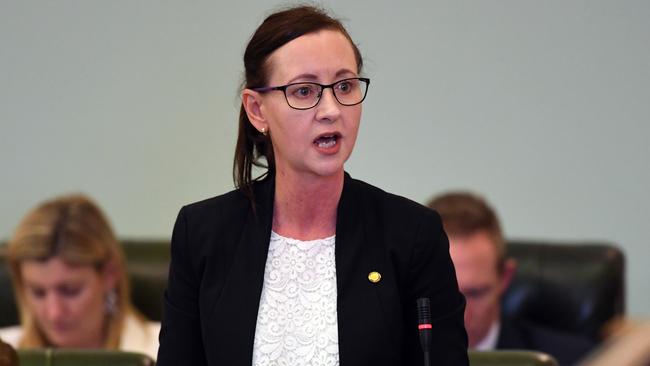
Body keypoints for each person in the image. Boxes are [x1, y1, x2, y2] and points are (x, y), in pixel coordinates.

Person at [156, 5, 468, 366]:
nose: (331, 109)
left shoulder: (411, 236)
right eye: (305, 91)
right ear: (257, 110)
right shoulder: (203, 234)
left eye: (344, 86)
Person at [428, 191, 594, 365]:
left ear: (505, 278)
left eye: (476, 293)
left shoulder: (578, 360)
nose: (460, 313)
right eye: (442, 296)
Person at [0, 194, 160, 360]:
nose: (54, 313)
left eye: (70, 291)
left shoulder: (172, 351)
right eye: (38, 292)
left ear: (109, 275)